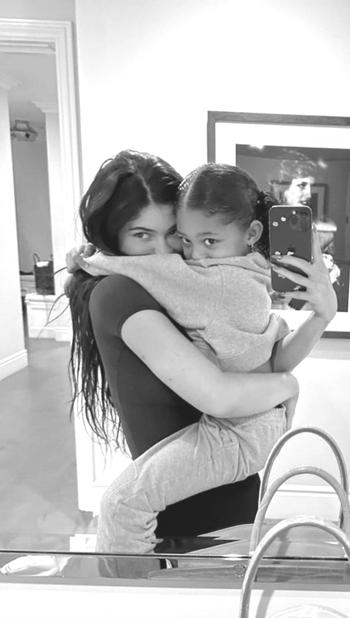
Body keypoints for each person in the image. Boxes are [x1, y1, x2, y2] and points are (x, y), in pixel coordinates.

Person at [66, 152, 336, 552]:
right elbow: (263, 370)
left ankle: (121, 587)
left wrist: (93, 260)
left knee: (121, 505)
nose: (165, 252)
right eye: (142, 235)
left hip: (224, 479)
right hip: (211, 491)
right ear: (114, 233)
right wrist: (288, 379)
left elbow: (228, 392)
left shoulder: (207, 281)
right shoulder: (132, 290)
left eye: (172, 234)